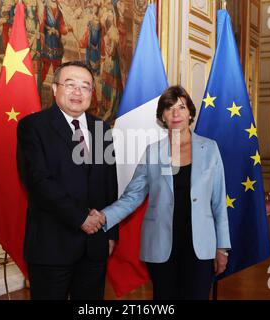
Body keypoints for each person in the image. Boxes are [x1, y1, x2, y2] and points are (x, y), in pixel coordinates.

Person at [89, 85, 231, 300]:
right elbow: (133, 196)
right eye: (169, 108)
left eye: (181, 107)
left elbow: (219, 203)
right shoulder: (152, 151)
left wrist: (222, 247)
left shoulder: (210, 149)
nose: (176, 113)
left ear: (190, 113)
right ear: (162, 116)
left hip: (201, 247)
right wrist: (104, 216)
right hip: (161, 246)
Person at [17, 61, 118, 300]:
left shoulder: (101, 128)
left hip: (95, 245)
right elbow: (38, 182)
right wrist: (80, 217)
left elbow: (109, 183)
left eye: (85, 87)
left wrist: (110, 232)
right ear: (54, 89)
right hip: (52, 246)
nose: (78, 92)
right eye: (70, 84)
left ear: (92, 94)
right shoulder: (33, 126)